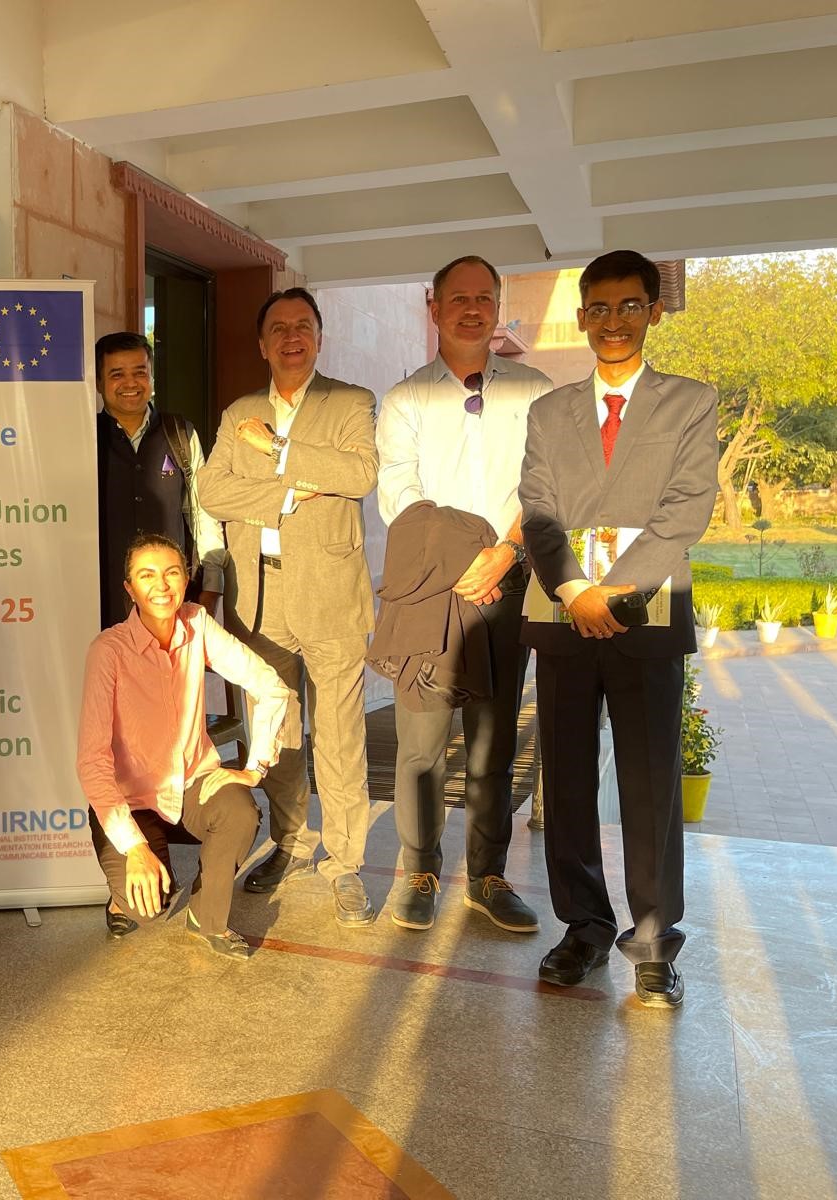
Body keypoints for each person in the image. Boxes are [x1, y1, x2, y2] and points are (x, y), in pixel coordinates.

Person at [519, 249, 718, 1008]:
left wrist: (615, 593)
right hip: (565, 618)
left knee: (648, 784)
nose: (614, 322)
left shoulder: (691, 403)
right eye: (598, 309)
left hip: (647, 621)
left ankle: (654, 938)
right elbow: (538, 507)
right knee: (566, 783)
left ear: (654, 311)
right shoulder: (548, 413)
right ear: (582, 319)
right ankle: (584, 927)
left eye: (629, 306)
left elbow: (687, 507)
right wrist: (573, 588)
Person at [373, 256, 554, 935]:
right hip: (430, 588)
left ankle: (487, 874)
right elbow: (400, 494)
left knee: (491, 740)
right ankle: (419, 868)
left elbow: (543, 486)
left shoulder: (535, 391)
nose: (472, 308)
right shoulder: (406, 398)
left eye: (484, 297)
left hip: (507, 585)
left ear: (497, 306)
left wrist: (505, 552)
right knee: (420, 741)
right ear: (434, 307)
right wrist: (459, 560)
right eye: (459, 298)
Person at [197, 288, 380, 926]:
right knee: (277, 729)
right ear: (262, 343)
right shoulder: (238, 410)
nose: (292, 337)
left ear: (320, 338)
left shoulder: (350, 401)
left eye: (304, 326)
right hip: (261, 596)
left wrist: (275, 450)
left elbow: (359, 474)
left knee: (339, 736)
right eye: (279, 328)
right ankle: (288, 840)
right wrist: (285, 493)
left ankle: (346, 861)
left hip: (331, 595)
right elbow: (214, 490)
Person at [77, 532, 294, 959]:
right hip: (131, 799)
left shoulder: (197, 624)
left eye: (172, 573)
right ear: (129, 588)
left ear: (186, 578)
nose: (161, 585)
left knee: (239, 810)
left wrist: (255, 766)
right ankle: (121, 898)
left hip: (193, 782)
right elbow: (92, 761)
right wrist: (134, 847)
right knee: (148, 907)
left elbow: (271, 686)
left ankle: (206, 917)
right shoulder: (108, 650)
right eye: (147, 575)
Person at [95, 332, 226, 627]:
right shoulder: (85, 437)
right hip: (103, 605)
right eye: (117, 374)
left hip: (172, 603)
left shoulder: (180, 433)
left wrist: (212, 587)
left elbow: (204, 513)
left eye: (140, 372)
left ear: (152, 377)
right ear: (99, 383)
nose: (130, 383)